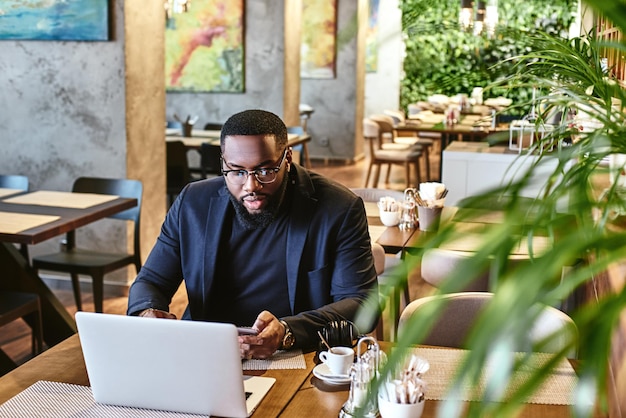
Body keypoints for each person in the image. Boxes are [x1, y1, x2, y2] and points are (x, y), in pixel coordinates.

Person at [127, 109, 378, 359]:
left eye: (265, 171)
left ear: (287, 158)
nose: (251, 186)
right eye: (236, 171)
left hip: (294, 355)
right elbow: (151, 281)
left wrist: (287, 331)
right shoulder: (193, 203)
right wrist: (148, 311)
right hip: (207, 352)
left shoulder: (338, 208)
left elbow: (361, 302)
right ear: (223, 161)